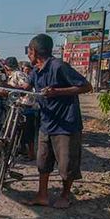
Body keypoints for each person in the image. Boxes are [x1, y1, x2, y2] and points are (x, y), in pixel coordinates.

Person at [24, 34, 92, 209]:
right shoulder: (35, 71)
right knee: (43, 162)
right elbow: (26, 88)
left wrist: (57, 92)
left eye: (29, 51)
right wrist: (3, 88)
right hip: (46, 123)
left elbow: (86, 86)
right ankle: (42, 195)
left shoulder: (58, 66)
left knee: (66, 164)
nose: (28, 55)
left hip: (66, 124)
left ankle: (65, 195)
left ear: (34, 51)